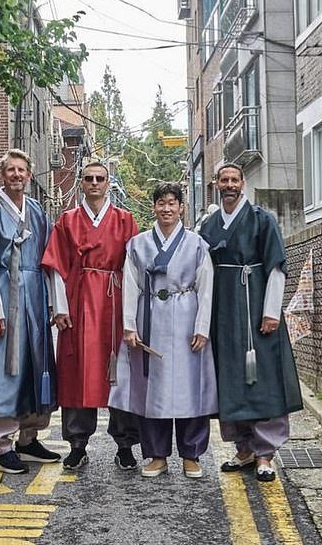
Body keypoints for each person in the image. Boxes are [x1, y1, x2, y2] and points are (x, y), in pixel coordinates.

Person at [199, 163, 302, 482]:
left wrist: (271, 311)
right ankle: (243, 449)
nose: (229, 185)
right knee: (229, 377)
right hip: (222, 312)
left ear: (242, 183)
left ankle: (266, 453)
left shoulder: (262, 219)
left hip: (255, 305)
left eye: (234, 179)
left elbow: (276, 268)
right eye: (224, 180)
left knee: (262, 377)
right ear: (216, 184)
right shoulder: (209, 224)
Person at [109, 182, 217, 478]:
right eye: (161, 203)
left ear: (181, 207)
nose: (167, 208)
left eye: (172, 203)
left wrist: (202, 327)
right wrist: (129, 326)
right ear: (153, 207)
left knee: (190, 389)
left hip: (186, 317)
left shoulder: (196, 243)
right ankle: (156, 455)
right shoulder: (138, 243)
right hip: (150, 318)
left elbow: (206, 288)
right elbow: (130, 285)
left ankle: (191, 454)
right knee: (151, 390)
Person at [42, 162, 140, 471]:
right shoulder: (67, 220)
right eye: (88, 178)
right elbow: (55, 266)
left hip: (115, 299)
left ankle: (125, 444)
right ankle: (77, 443)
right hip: (79, 298)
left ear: (108, 183)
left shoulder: (125, 220)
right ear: (81, 183)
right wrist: (59, 307)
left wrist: (134, 315)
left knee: (119, 373)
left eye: (100, 178)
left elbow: (136, 270)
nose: (94, 183)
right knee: (76, 371)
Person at [0, 149, 59, 474]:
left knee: (35, 366)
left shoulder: (37, 212)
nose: (17, 175)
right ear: (3, 175)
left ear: (29, 174)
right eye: (11, 170)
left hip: (33, 299)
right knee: (2, 369)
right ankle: (2, 445)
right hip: (3, 295)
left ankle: (28, 437)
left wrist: (53, 302)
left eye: (22, 170)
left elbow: (50, 262)